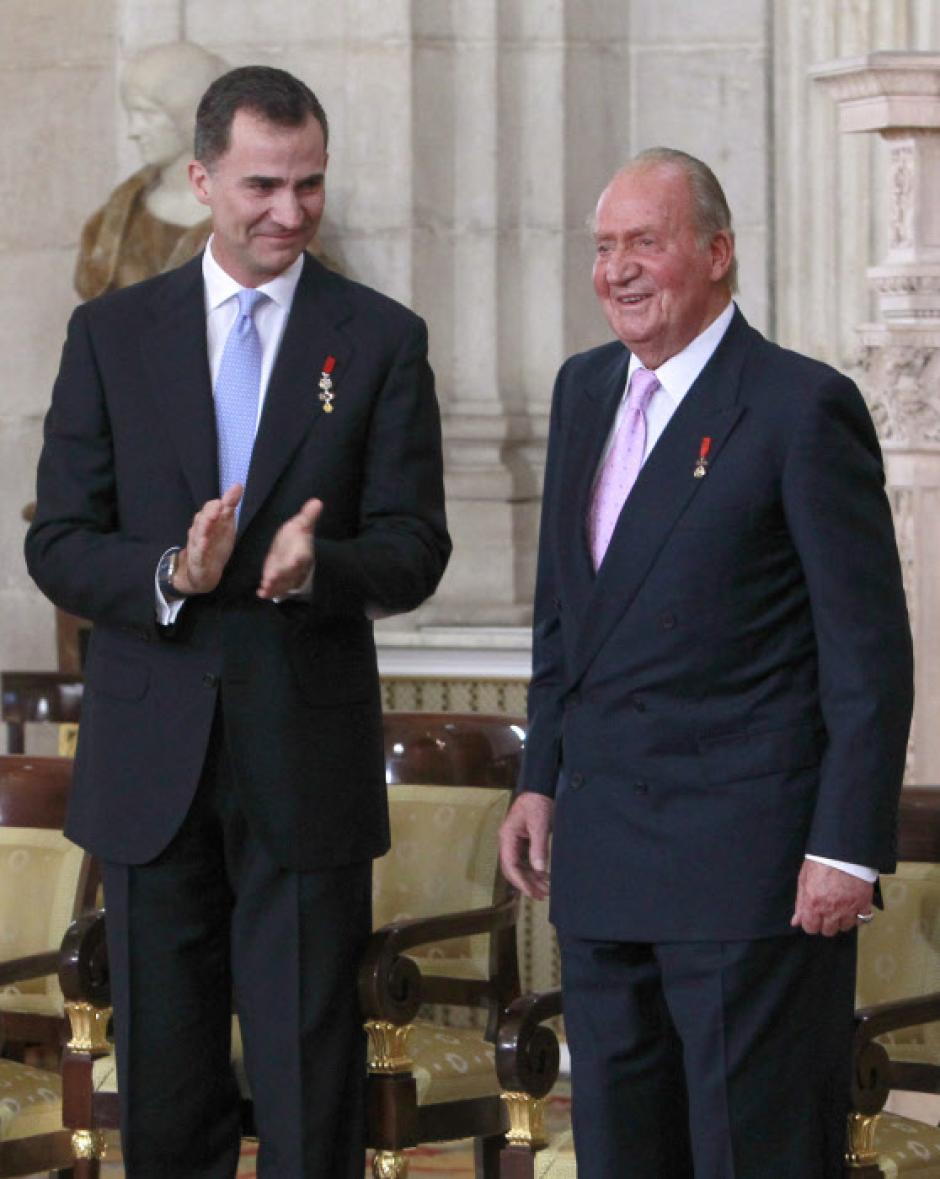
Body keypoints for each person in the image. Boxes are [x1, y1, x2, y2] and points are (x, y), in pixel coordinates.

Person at [27, 65, 450, 1178]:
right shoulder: (112, 335)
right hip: (150, 763)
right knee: (165, 1086)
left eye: (310, 185)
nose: (291, 212)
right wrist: (173, 567)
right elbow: (57, 542)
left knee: (312, 1085)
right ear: (204, 177)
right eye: (265, 184)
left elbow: (416, 548)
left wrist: (317, 570)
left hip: (304, 762)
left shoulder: (379, 338)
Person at [498, 148, 913, 1178]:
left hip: (748, 875)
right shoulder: (582, 389)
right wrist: (539, 776)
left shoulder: (796, 406)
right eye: (603, 248)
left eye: (646, 242)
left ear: (718, 254)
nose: (618, 270)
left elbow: (867, 654)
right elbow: (565, 621)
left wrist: (847, 847)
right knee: (621, 1156)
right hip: (601, 863)